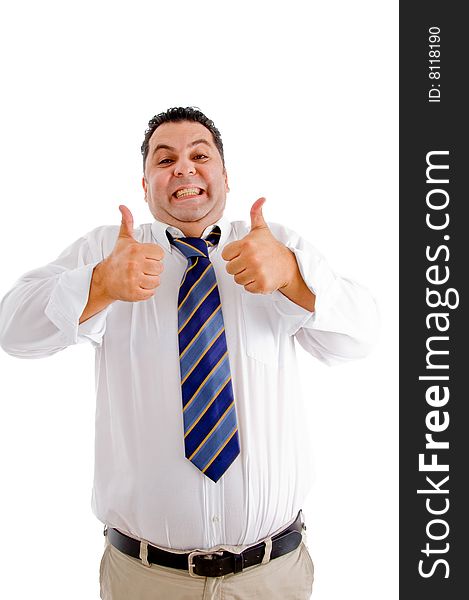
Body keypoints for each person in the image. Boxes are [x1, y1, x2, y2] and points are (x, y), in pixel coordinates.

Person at [0, 106, 378, 599]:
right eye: (165, 159)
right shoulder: (110, 251)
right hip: (145, 579)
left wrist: (293, 276)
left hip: (273, 576)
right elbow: (13, 331)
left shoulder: (276, 247)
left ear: (224, 176)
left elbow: (360, 337)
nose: (184, 167)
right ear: (145, 184)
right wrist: (100, 284)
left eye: (200, 155)